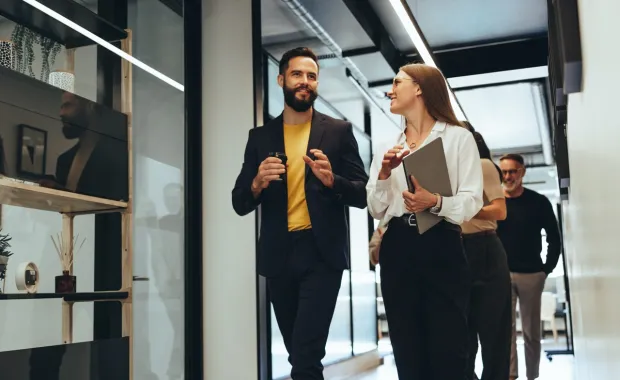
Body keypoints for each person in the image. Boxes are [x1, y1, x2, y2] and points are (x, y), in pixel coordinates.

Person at [232, 47, 368, 380]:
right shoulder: (260, 137)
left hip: (321, 255)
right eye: (297, 74)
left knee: (305, 356)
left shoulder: (338, 131)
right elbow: (239, 202)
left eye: (311, 76)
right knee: (298, 353)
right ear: (281, 80)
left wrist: (331, 179)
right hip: (279, 256)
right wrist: (256, 183)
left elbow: (362, 194)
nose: (305, 82)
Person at [366, 63, 483, 379]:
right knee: (406, 347)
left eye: (397, 82)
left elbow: (473, 200)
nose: (390, 90)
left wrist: (436, 202)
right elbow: (377, 209)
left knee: (449, 347)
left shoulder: (458, 138)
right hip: (397, 247)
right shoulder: (388, 148)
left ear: (419, 88)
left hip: (441, 242)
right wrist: (383, 174)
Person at [496, 153, 561, 380]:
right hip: (501, 276)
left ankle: (532, 376)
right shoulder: (495, 204)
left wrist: (546, 270)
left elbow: (554, 238)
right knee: (506, 333)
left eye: (512, 171)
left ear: (522, 172)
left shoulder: (538, 202)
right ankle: (511, 376)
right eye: (504, 172)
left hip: (532, 275)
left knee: (532, 333)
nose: (508, 176)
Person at [461, 123, 512, 380]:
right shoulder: (445, 172)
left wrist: (466, 209)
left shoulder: (482, 165)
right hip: (455, 251)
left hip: (483, 248)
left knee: (494, 335)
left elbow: (500, 211)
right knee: (461, 337)